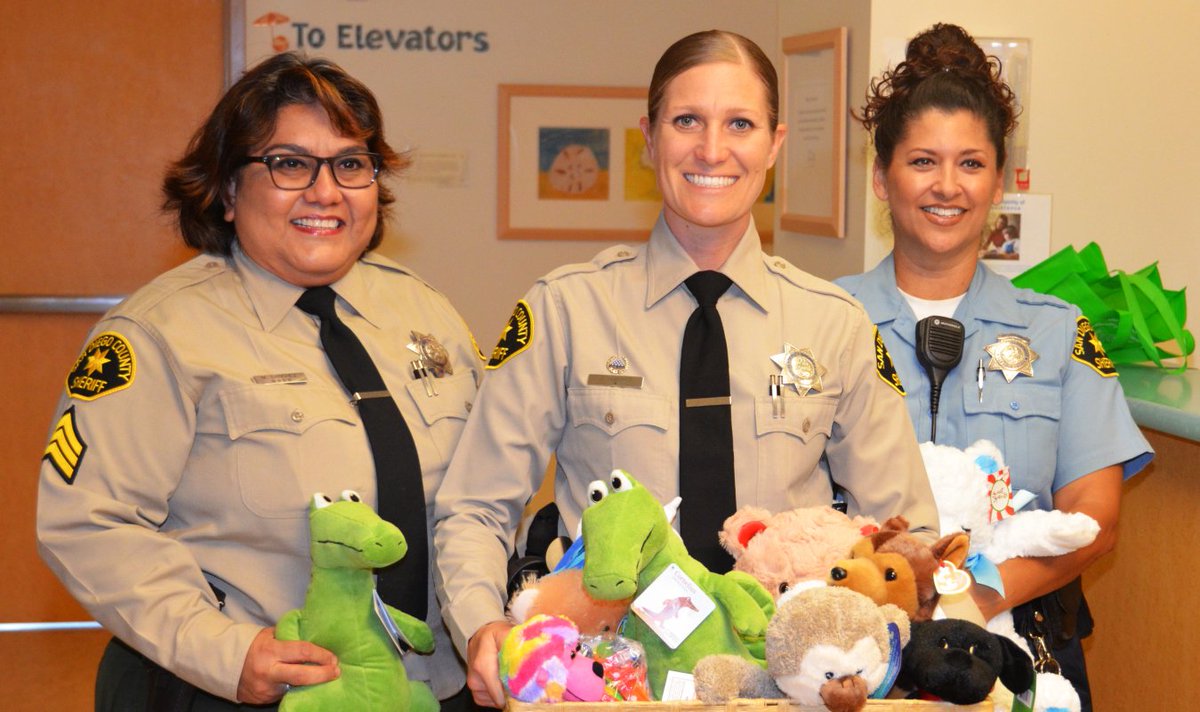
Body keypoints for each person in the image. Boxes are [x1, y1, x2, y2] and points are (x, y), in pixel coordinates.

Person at [433, 29, 939, 708]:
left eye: (740, 124)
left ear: (775, 145)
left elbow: (903, 532)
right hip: (606, 683)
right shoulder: (566, 310)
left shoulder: (835, 324)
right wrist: (480, 625)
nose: (712, 149)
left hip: (784, 687)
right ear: (649, 138)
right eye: (687, 121)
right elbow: (475, 505)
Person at [36, 52, 482, 711]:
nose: (325, 192)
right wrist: (224, 652)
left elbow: (480, 494)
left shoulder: (427, 311)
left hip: (433, 688)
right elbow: (88, 523)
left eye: (350, 164)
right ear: (226, 188)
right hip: (247, 690)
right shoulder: (159, 333)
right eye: (290, 164)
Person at [834, 23, 1152, 711]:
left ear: (998, 182)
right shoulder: (823, 321)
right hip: (855, 656)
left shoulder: (1059, 331)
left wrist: (975, 598)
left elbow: (1097, 518)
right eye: (923, 161)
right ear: (882, 178)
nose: (947, 186)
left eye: (971, 163)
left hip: (1018, 650)